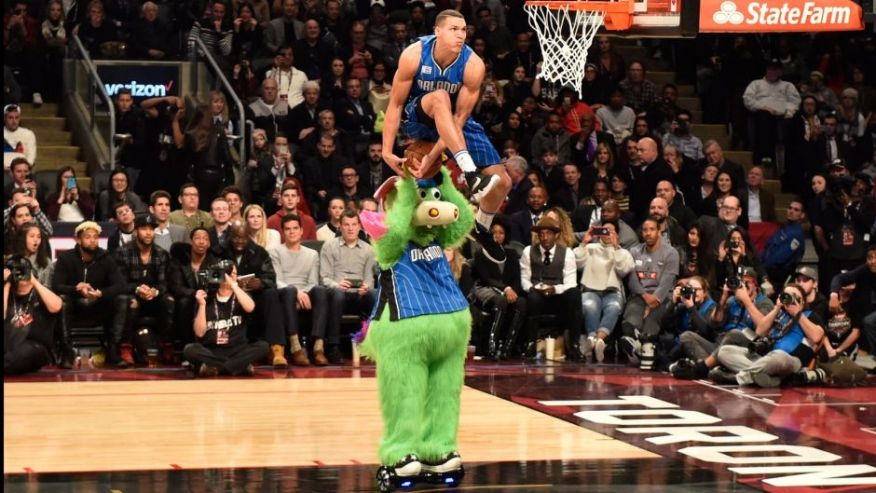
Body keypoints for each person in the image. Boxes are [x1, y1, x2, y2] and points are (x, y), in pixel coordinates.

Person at [381, 9, 512, 263]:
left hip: (452, 122)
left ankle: (481, 227)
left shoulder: (473, 65)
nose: (461, 35)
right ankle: (470, 173)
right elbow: (395, 105)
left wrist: (432, 155)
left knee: (502, 181)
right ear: (437, 31)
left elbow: (459, 120)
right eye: (454, 29)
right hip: (417, 117)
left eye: (464, 30)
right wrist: (387, 151)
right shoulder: (414, 54)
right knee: (440, 96)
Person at [716, 283, 824, 387]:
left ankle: (738, 377)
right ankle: (769, 378)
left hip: (789, 360)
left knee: (779, 355)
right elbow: (760, 331)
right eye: (787, 295)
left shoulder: (809, 315)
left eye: (796, 297)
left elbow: (817, 337)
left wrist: (797, 313)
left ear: (803, 301)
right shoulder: (779, 313)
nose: (791, 300)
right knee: (724, 351)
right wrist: (776, 308)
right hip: (765, 358)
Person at [53, 221, 128, 368]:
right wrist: (76, 289)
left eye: (95, 237)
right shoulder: (66, 258)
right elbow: (56, 286)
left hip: (99, 306)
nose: (92, 240)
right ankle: (67, 352)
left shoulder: (106, 258)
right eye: (88, 237)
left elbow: (121, 286)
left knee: (123, 300)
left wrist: (102, 293)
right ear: (78, 240)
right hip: (75, 307)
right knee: (62, 300)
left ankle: (113, 351)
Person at [184, 263, 268, 377]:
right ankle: (238, 366)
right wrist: (202, 305)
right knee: (190, 349)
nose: (228, 276)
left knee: (263, 346)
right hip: (211, 351)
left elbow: (250, 307)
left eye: (233, 273)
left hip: (237, 350)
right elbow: (199, 332)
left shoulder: (241, 296)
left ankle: (217, 368)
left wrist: (234, 285)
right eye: (225, 273)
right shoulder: (206, 298)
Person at [268, 214, 330, 365]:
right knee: (289, 291)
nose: (292, 232)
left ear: (301, 231)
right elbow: (278, 280)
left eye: (295, 228)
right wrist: (297, 292)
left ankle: (318, 348)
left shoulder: (312, 254)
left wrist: (302, 293)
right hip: (285, 292)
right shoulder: (275, 252)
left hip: (305, 292)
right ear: (283, 232)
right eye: (287, 229)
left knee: (320, 290)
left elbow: (313, 282)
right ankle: (296, 348)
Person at [114, 214, 174, 366]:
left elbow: (164, 283)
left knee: (169, 301)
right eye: (144, 229)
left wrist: (155, 291)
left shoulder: (161, 254)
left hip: (153, 298)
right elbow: (120, 284)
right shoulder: (122, 252)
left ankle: (165, 344)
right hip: (132, 295)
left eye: (151, 229)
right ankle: (126, 347)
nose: (148, 233)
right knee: (131, 303)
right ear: (135, 232)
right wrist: (138, 288)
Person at [620, 217, 679, 371]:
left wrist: (654, 301)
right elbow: (632, 280)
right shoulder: (634, 252)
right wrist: (646, 298)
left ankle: (642, 349)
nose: (648, 233)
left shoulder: (671, 253)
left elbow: (667, 282)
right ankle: (637, 348)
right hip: (640, 296)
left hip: (662, 297)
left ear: (659, 232)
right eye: (645, 230)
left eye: (652, 229)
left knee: (650, 326)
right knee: (629, 325)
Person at [520, 215, 582, 361]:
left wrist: (555, 289)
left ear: (556, 235)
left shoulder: (567, 253)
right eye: (541, 234)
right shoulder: (528, 251)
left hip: (559, 296)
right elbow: (524, 279)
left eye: (548, 234)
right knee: (533, 298)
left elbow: (571, 283)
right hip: (538, 295)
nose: (545, 238)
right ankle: (530, 344)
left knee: (575, 294)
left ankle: (574, 345)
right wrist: (534, 288)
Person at [320, 210, 376, 363]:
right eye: (346, 225)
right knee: (337, 294)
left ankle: (372, 345)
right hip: (337, 294)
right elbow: (324, 278)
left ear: (359, 227)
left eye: (354, 225)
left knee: (373, 294)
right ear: (340, 226)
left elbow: (369, 279)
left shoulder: (369, 250)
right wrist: (337, 285)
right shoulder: (329, 246)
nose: (350, 228)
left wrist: (366, 287)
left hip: (359, 295)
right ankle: (333, 346)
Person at [575, 221, 634, 362]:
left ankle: (596, 340)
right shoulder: (591, 248)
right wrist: (583, 243)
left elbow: (624, 270)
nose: (607, 234)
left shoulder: (623, 252)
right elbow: (577, 263)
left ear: (617, 234)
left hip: (612, 292)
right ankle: (594, 339)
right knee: (589, 305)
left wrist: (616, 248)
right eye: (604, 230)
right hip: (591, 290)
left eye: (611, 231)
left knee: (614, 307)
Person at [471, 220, 526, 359]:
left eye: (501, 232)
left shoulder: (511, 254)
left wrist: (514, 291)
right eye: (493, 232)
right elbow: (486, 279)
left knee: (522, 302)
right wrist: (506, 289)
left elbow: (516, 279)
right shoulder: (481, 253)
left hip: (507, 291)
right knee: (500, 300)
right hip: (485, 289)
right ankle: (491, 347)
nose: (497, 235)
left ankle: (508, 348)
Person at [4, 256, 62, 374]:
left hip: (35, 347)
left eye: (23, 270)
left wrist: (34, 281)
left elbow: (57, 306)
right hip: (9, 347)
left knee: (22, 354)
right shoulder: (7, 293)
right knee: (12, 356)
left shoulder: (40, 291)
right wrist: (6, 285)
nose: (20, 275)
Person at [167, 227, 221, 351]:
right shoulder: (179, 261)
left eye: (205, 239)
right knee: (184, 303)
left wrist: (204, 296)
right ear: (191, 242)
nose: (201, 242)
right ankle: (184, 347)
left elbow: (216, 286)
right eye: (197, 238)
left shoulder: (216, 262)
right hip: (187, 298)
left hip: (209, 299)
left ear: (209, 244)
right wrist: (195, 293)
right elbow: (176, 286)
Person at [184, 104, 235, 207]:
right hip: (216, 176)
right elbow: (227, 157)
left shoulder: (190, 133)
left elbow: (186, 160)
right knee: (216, 207)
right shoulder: (219, 131)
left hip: (197, 176)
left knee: (199, 207)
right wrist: (230, 178)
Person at [760, 200, 807, 288]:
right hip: (767, 270)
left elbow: (779, 258)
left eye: (796, 210)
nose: (791, 211)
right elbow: (768, 247)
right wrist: (758, 263)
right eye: (790, 208)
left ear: (802, 215)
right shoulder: (783, 228)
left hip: (777, 277)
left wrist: (762, 269)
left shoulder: (796, 234)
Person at [4, 102, 37, 170]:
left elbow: (31, 157)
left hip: (22, 172)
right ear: (4, 118)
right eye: (10, 118)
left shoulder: (28, 134)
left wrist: (22, 169)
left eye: (17, 117)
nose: (14, 121)